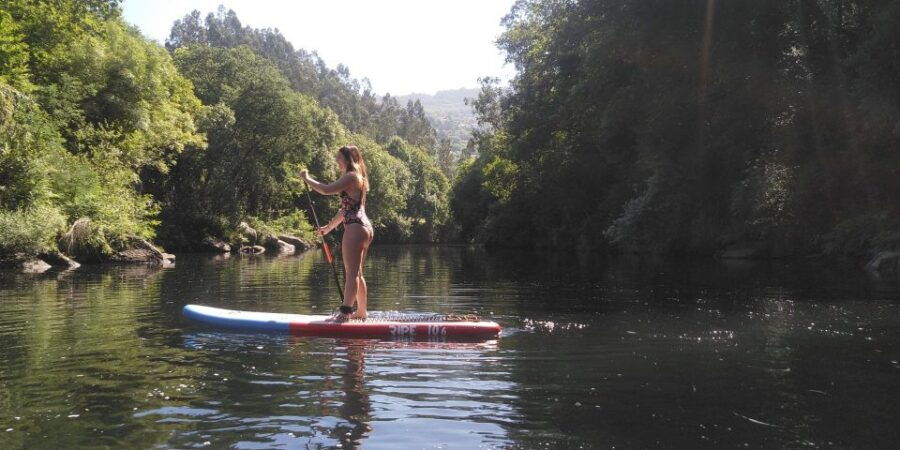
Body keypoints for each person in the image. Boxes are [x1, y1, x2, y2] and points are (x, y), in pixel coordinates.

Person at [300, 145, 374, 321]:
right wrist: (329, 227)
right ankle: (361, 312)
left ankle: (345, 313)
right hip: (365, 228)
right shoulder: (359, 178)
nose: (336, 160)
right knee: (358, 273)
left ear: (348, 159)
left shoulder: (350, 176)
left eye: (339, 158)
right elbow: (346, 210)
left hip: (355, 228)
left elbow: (326, 190)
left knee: (351, 273)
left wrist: (307, 178)